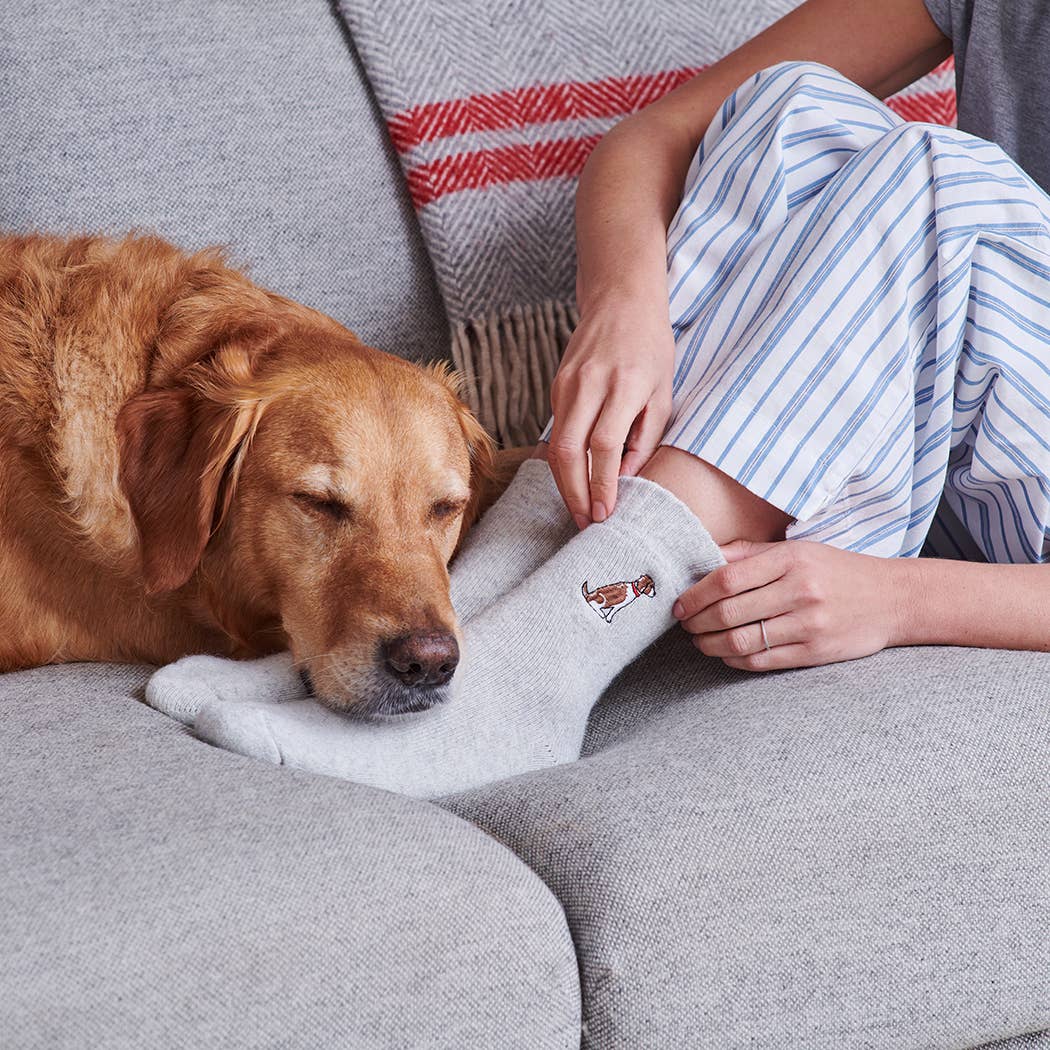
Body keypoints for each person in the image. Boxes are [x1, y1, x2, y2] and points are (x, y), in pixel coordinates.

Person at [147, 0, 1050, 796]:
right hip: (943, 436)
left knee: (938, 179)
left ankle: (532, 675)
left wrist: (902, 600)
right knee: (787, 108)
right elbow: (652, 137)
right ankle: (486, 619)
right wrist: (625, 312)